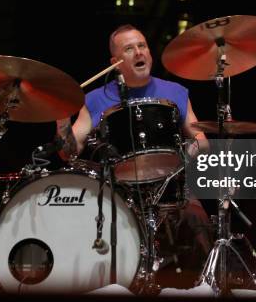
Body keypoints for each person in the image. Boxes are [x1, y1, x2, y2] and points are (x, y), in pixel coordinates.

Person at [56, 24, 212, 281]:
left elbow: (201, 141)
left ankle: (204, 284)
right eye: (129, 49)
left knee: (197, 219)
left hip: (171, 185)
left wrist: (183, 156)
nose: (139, 52)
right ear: (115, 62)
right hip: (119, 193)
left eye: (142, 46)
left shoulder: (175, 92)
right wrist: (60, 116)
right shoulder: (94, 99)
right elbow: (68, 153)